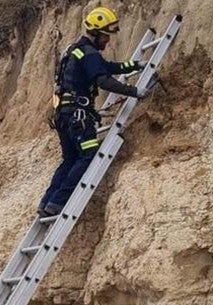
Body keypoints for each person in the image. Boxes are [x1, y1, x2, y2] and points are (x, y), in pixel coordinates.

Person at [38, 6, 146, 217]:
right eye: (105, 36)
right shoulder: (89, 53)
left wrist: (134, 65)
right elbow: (103, 79)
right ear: (96, 33)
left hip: (63, 115)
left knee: (69, 159)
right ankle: (59, 202)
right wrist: (135, 91)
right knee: (88, 154)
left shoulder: (74, 50)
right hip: (78, 117)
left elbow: (105, 66)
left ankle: (47, 203)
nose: (107, 41)